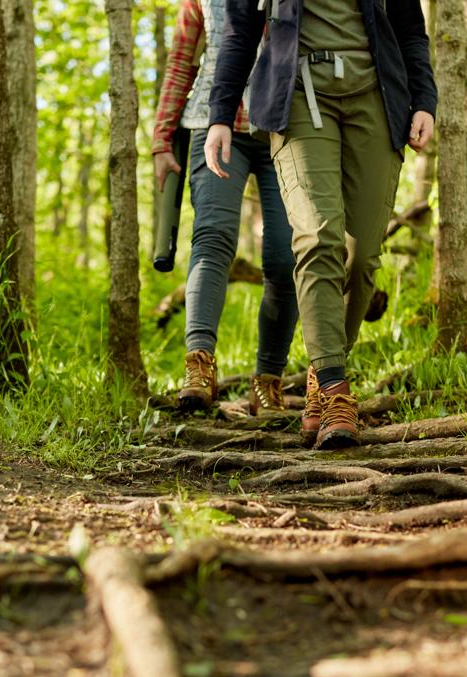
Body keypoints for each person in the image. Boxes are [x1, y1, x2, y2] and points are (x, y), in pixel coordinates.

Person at [206, 0, 436, 448]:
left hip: (377, 94)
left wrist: (425, 100)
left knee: (363, 254)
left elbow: (411, 30)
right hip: (296, 95)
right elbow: (239, 31)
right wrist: (220, 114)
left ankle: (320, 376)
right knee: (318, 237)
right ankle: (334, 389)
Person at [153, 0, 300, 415]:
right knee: (213, 236)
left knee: (284, 254)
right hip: (212, 122)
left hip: (284, 124)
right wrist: (162, 140)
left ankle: (268, 381)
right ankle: (198, 367)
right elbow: (181, 61)